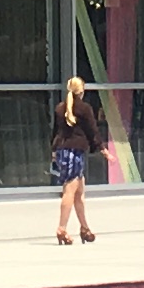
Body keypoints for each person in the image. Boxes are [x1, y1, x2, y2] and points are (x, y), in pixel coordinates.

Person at [50, 73, 109, 246]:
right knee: (69, 190)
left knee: (79, 192)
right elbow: (93, 131)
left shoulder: (60, 108)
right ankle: (61, 228)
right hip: (74, 153)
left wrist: (53, 150)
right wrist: (103, 149)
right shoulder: (84, 109)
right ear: (81, 91)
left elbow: (55, 132)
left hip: (64, 151)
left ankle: (84, 228)